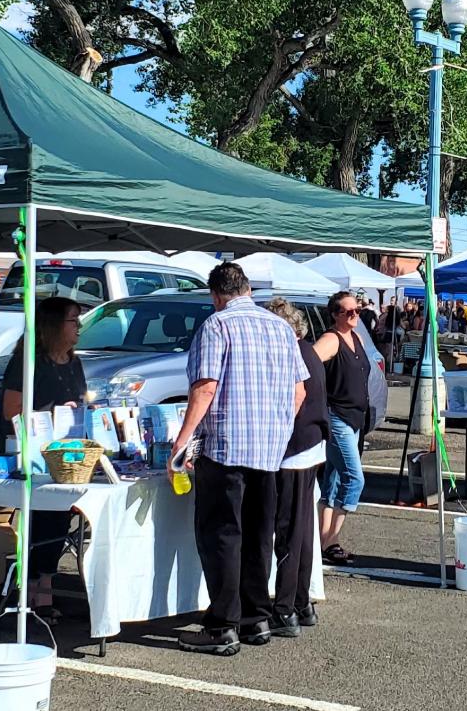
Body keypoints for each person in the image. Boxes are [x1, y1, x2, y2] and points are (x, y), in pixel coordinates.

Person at [172, 262, 306, 654]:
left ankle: (223, 625)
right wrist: (277, 428)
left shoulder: (217, 326)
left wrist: (182, 443)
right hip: (268, 452)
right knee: (258, 536)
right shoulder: (281, 328)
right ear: (247, 289)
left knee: (222, 536)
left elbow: (205, 388)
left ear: (216, 296)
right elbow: (299, 393)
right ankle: (255, 618)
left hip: (227, 447)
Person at [0, 296, 87, 621]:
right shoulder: (27, 362)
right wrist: (53, 414)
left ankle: (44, 591)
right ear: (53, 325)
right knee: (40, 520)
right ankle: (34, 594)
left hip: (67, 456)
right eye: (72, 320)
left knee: (60, 518)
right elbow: (12, 411)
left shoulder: (74, 362)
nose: (78, 327)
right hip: (31, 455)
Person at [265, 298, 331, 635]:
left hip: (294, 448)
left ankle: (285, 608)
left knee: (289, 531)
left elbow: (296, 398)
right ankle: (301, 604)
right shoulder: (309, 352)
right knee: (301, 531)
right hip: (311, 446)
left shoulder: (291, 353)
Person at [314, 291, 372, 562]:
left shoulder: (357, 337)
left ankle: (322, 540)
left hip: (356, 416)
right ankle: (330, 541)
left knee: (333, 480)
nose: (355, 315)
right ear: (336, 315)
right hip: (336, 416)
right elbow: (309, 365)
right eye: (349, 312)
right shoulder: (330, 339)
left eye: (357, 310)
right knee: (354, 478)